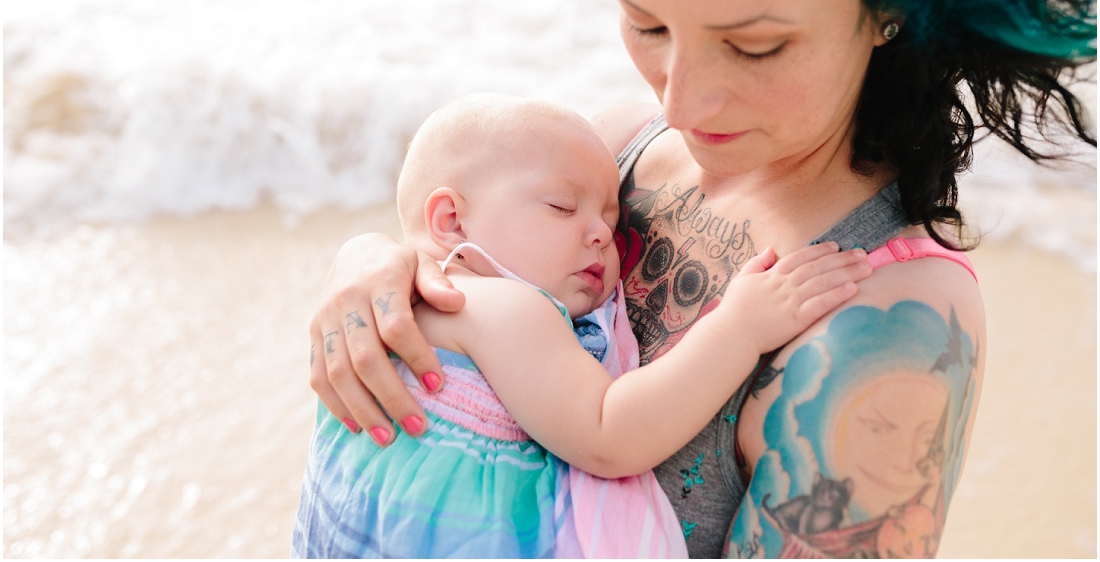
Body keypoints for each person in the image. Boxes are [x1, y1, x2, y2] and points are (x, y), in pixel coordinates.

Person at [306, 0, 1095, 556]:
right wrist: (374, 264)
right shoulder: (620, 150)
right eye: (646, 25)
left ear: (890, 3)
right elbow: (461, 231)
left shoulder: (887, 328)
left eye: (754, 46)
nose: (679, 105)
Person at [293, 95, 871, 558]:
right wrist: (742, 327)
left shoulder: (404, 303)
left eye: (610, 217)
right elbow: (610, 433)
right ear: (450, 220)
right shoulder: (503, 309)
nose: (600, 233)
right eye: (562, 209)